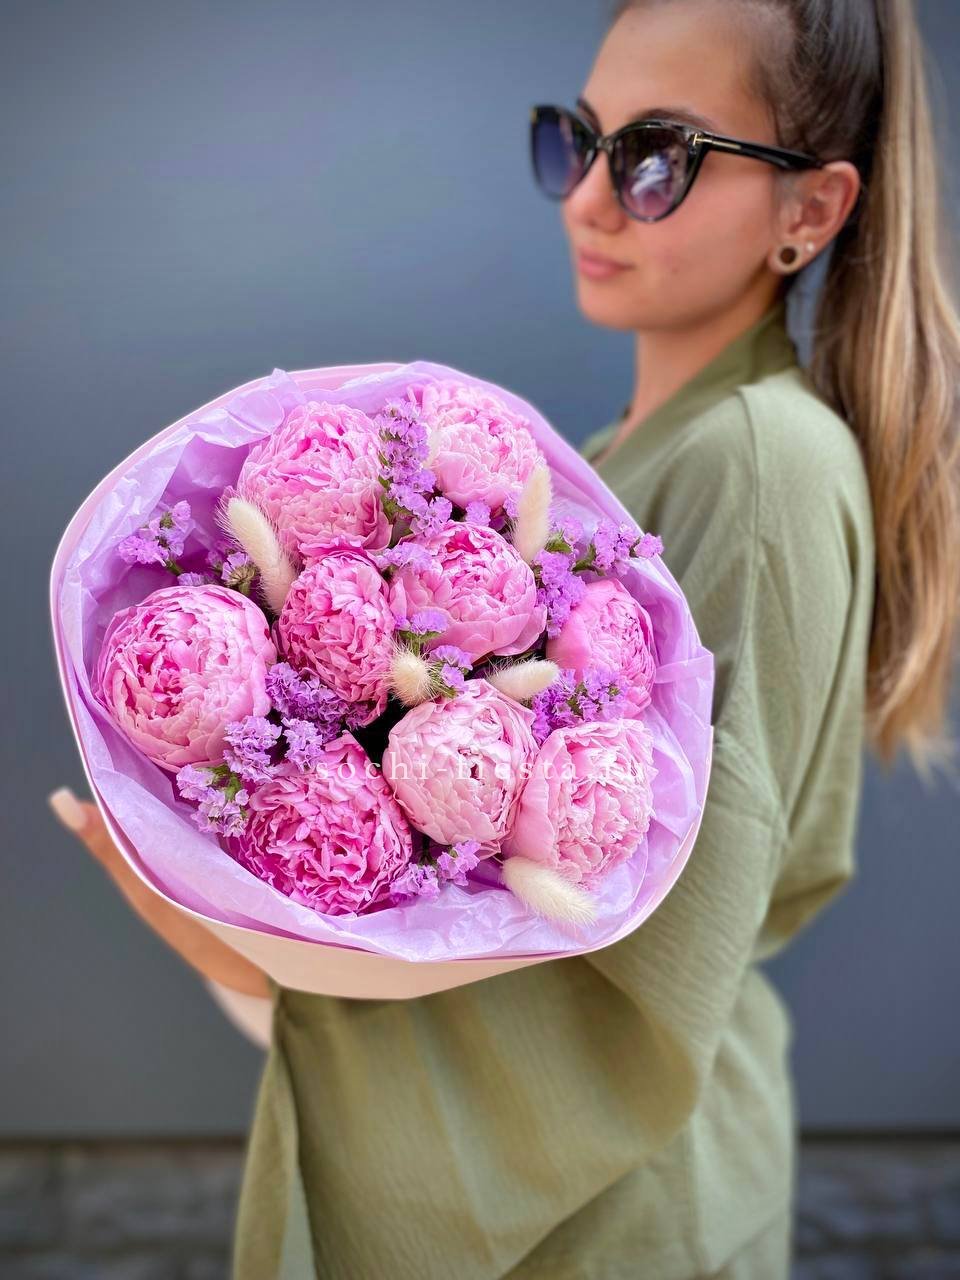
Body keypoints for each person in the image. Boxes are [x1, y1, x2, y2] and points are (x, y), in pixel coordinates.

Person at [48, 0, 960, 1275]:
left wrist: (252, 964)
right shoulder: (607, 469)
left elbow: (653, 960)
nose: (587, 198)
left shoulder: (761, 461)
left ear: (811, 208)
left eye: (658, 157)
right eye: (577, 140)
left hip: (617, 1211)